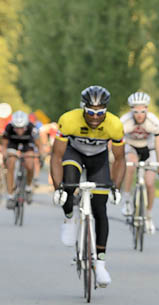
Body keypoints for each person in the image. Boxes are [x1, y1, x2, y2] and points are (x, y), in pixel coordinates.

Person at [50, 85, 125, 287]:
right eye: (90, 112)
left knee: (100, 208)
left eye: (100, 112)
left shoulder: (115, 125)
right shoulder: (69, 120)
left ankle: (100, 263)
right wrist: (58, 188)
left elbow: (119, 159)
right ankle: (68, 219)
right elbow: (56, 156)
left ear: (106, 110)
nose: (95, 117)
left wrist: (116, 187)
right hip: (73, 154)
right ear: (83, 108)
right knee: (69, 182)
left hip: (98, 159)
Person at [119, 92, 159, 234]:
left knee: (150, 182)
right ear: (131, 111)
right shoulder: (124, 121)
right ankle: (127, 200)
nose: (139, 115)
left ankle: (148, 215)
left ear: (147, 109)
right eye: (136, 111)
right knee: (130, 164)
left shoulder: (154, 122)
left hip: (149, 148)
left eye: (142, 111)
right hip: (131, 147)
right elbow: (116, 143)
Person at [2, 110, 43, 207]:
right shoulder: (9, 127)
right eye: (17, 128)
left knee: (30, 163)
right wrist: (5, 155)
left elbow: (39, 145)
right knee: (10, 163)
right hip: (13, 144)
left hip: (27, 144)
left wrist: (40, 155)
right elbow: (4, 144)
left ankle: (28, 187)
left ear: (26, 125)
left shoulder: (32, 128)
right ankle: (10, 195)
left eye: (21, 128)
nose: (19, 131)